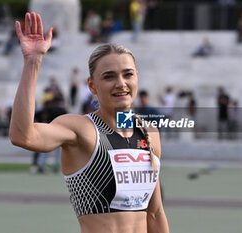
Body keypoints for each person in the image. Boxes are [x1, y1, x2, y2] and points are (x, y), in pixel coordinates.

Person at [9, 12, 169, 233]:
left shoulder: (148, 133)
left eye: (128, 74)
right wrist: (33, 62)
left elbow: (155, 213)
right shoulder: (80, 129)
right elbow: (22, 135)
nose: (121, 83)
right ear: (92, 86)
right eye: (109, 76)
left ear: (136, 79)